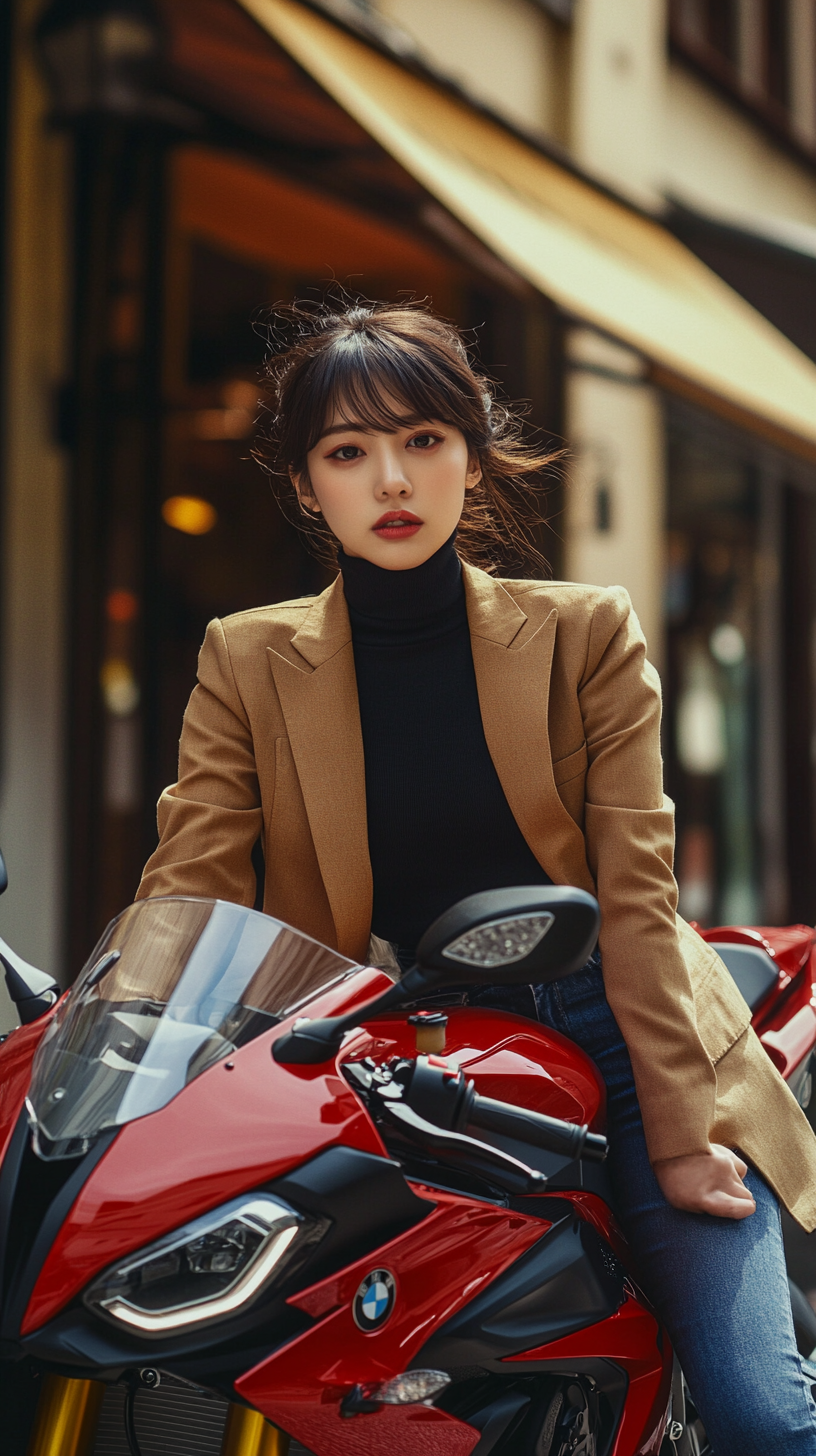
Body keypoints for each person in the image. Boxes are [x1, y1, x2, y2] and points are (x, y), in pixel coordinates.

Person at [138, 300, 816, 1454]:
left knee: (759, 1414)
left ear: (470, 451)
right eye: (348, 453)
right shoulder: (245, 657)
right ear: (307, 486)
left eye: (423, 441)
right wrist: (129, 1046)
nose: (390, 479)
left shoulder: (583, 632)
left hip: (616, 1030)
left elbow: (639, 903)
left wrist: (683, 1130)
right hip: (394, 1055)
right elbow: (188, 883)